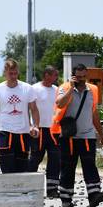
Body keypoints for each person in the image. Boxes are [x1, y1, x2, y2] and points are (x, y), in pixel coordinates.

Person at [52, 63, 103, 207]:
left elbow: (94, 112)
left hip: (87, 135)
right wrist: (71, 87)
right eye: (79, 77)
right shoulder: (64, 88)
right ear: (73, 76)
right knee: (68, 167)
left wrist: (101, 134)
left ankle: (94, 194)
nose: (82, 80)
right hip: (68, 136)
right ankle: (65, 198)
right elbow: (59, 104)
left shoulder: (93, 90)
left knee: (90, 164)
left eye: (84, 77)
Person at [0, 59, 40, 174]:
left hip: (23, 132)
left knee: (22, 167)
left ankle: (20, 191)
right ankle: (7, 191)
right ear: (5, 72)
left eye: (15, 73)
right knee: (7, 167)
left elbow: (34, 109)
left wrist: (36, 126)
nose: (13, 76)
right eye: (10, 73)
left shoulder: (27, 88)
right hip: (4, 132)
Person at [28, 66, 61, 197]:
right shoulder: (34, 89)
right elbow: (28, 109)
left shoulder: (57, 90)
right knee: (35, 158)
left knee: (55, 159)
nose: (56, 78)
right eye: (54, 75)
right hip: (39, 129)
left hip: (54, 130)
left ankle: (52, 189)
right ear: (47, 75)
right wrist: (31, 126)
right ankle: (30, 186)